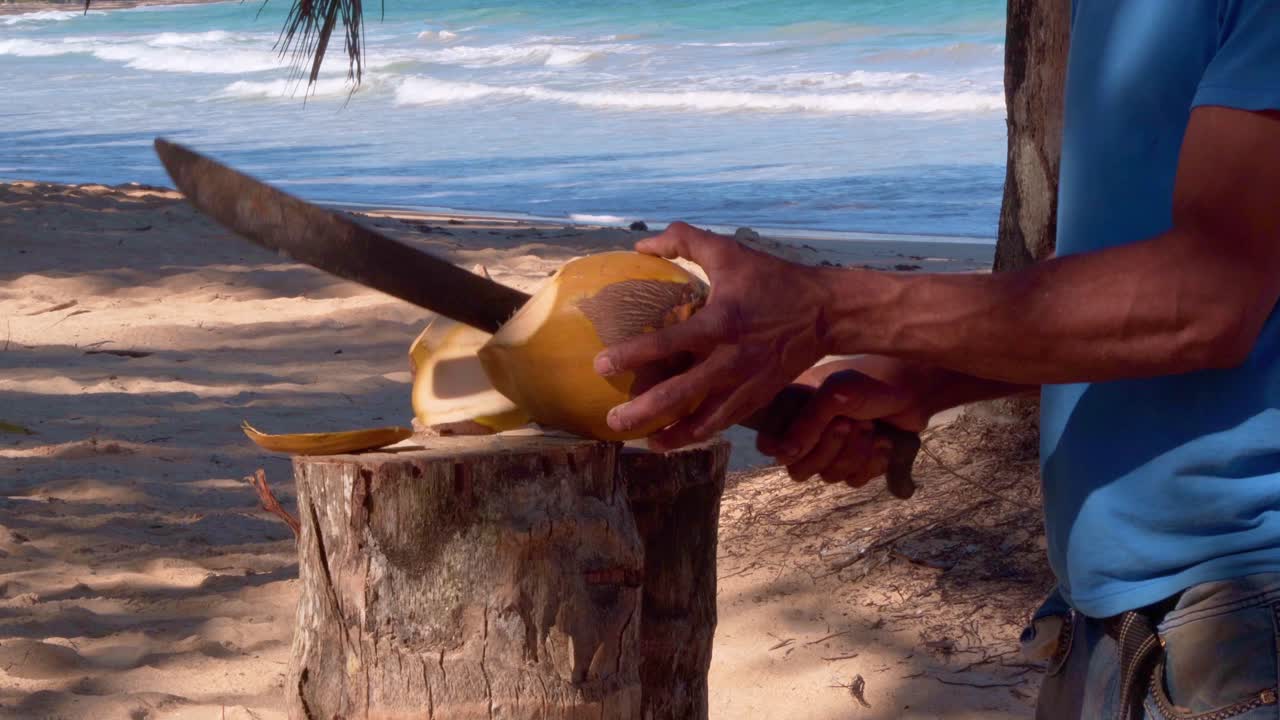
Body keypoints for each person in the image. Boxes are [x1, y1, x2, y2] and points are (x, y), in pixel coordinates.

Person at [593, 2, 1280, 718]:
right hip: (1114, 623)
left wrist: (832, 309)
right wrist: (923, 374)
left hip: (1245, 623)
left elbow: (1211, 295)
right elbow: (1120, 257)